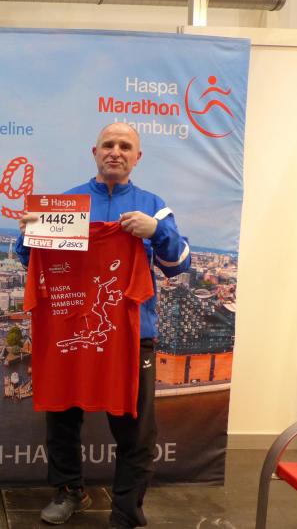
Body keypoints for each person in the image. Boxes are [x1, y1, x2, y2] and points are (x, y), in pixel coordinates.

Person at [15, 122, 191, 528]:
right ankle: (68, 491)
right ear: (94, 152)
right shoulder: (65, 204)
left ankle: (126, 511)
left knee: (136, 430)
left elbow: (179, 265)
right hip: (71, 328)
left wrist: (157, 232)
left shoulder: (154, 207)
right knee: (62, 416)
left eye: (125, 146)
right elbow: (31, 262)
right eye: (108, 144)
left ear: (137, 157)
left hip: (133, 334)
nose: (116, 151)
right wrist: (28, 234)